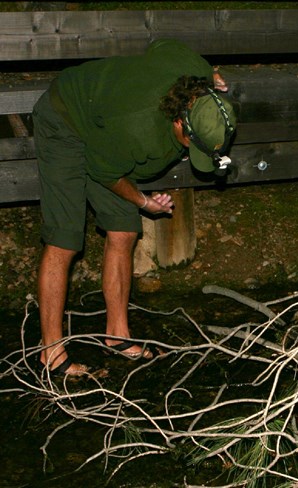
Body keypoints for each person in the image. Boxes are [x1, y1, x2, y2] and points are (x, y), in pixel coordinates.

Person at [33, 39, 236, 376]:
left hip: (105, 131)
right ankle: (50, 351)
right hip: (66, 119)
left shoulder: (196, 77)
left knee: (124, 229)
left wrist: (209, 75)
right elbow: (105, 173)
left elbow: (162, 46)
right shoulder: (139, 130)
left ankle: (117, 334)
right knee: (65, 238)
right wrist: (144, 202)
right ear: (179, 122)